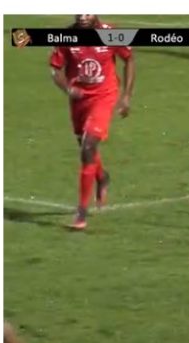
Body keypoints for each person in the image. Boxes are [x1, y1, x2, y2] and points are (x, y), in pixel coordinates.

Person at [49, 14, 136, 230]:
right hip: (79, 99)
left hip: (104, 96)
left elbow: (129, 60)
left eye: (87, 12)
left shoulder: (111, 33)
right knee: (85, 145)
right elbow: (55, 70)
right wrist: (69, 88)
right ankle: (102, 177)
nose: (82, 16)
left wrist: (126, 96)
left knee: (88, 146)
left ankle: (81, 212)